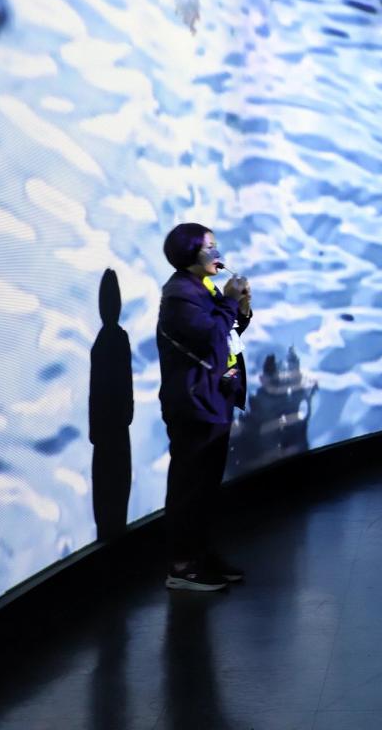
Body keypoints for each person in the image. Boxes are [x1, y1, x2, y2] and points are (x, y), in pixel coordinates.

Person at [157, 223, 253, 592]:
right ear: (188, 253)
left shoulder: (201, 288)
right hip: (193, 404)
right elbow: (210, 336)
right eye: (208, 247)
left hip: (213, 399)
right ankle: (182, 566)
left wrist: (241, 308)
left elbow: (226, 335)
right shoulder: (180, 294)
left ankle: (200, 555)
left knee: (206, 486)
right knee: (189, 487)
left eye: (215, 246)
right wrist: (229, 301)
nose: (217, 254)